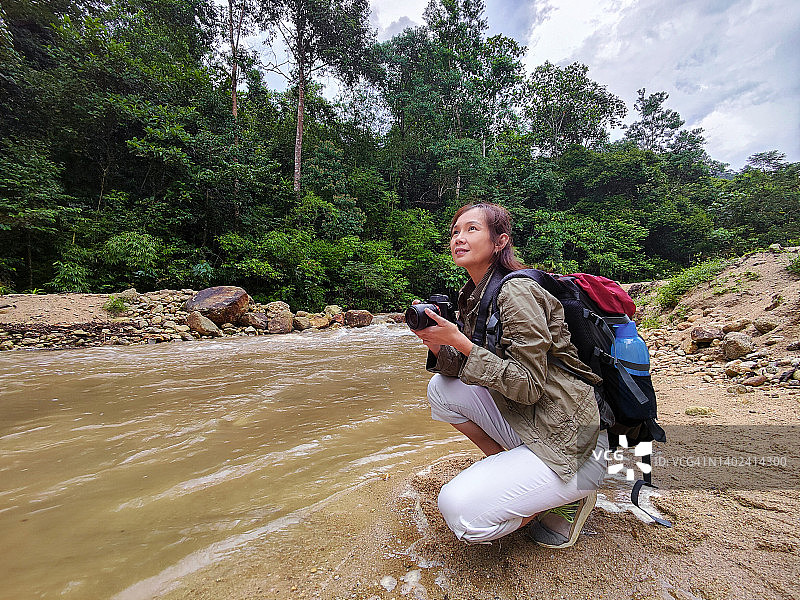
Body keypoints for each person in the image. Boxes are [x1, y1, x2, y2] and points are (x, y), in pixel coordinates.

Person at [410, 202, 608, 547]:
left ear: (500, 241)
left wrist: (459, 341)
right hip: (538, 420)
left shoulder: (517, 292)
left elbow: (528, 385)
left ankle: (564, 497)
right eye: (455, 231)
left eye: (472, 229)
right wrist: (438, 344)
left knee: (460, 512)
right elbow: (467, 369)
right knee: (441, 388)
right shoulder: (474, 294)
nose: (459, 238)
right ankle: (514, 470)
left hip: (575, 442)